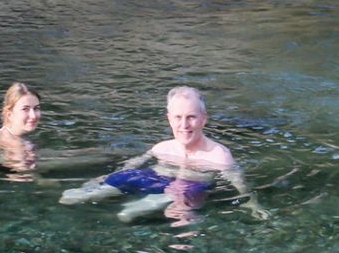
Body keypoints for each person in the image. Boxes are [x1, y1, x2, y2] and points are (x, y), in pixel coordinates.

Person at [60, 86, 269, 223]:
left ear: (204, 119)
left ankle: (141, 206)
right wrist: (105, 178)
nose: (184, 125)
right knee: (74, 197)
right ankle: (109, 193)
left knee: (130, 213)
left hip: (186, 187)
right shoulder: (162, 148)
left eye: (191, 117)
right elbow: (134, 164)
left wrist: (252, 203)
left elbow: (238, 182)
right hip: (153, 177)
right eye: (178, 117)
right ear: (169, 119)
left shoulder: (218, 155)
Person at [0, 82, 43, 170]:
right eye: (25, 109)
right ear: (9, 114)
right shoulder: (16, 145)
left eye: (36, 108)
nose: (33, 115)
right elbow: (21, 173)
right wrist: (42, 180)